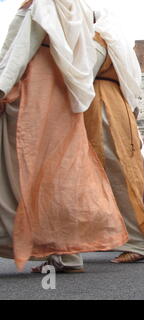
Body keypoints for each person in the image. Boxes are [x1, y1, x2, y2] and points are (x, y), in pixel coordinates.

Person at [0, 0, 128, 272]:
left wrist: (2, 89)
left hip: (35, 87)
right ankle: (67, 254)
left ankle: (24, 238)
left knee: (17, 169)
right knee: (60, 173)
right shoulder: (80, 9)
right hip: (64, 91)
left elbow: (20, 48)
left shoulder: (43, 4)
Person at [83, 9, 144, 263]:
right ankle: (121, 237)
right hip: (119, 108)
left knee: (113, 175)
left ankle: (141, 242)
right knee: (123, 174)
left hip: (101, 107)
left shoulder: (98, 39)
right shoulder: (119, 46)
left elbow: (84, 75)